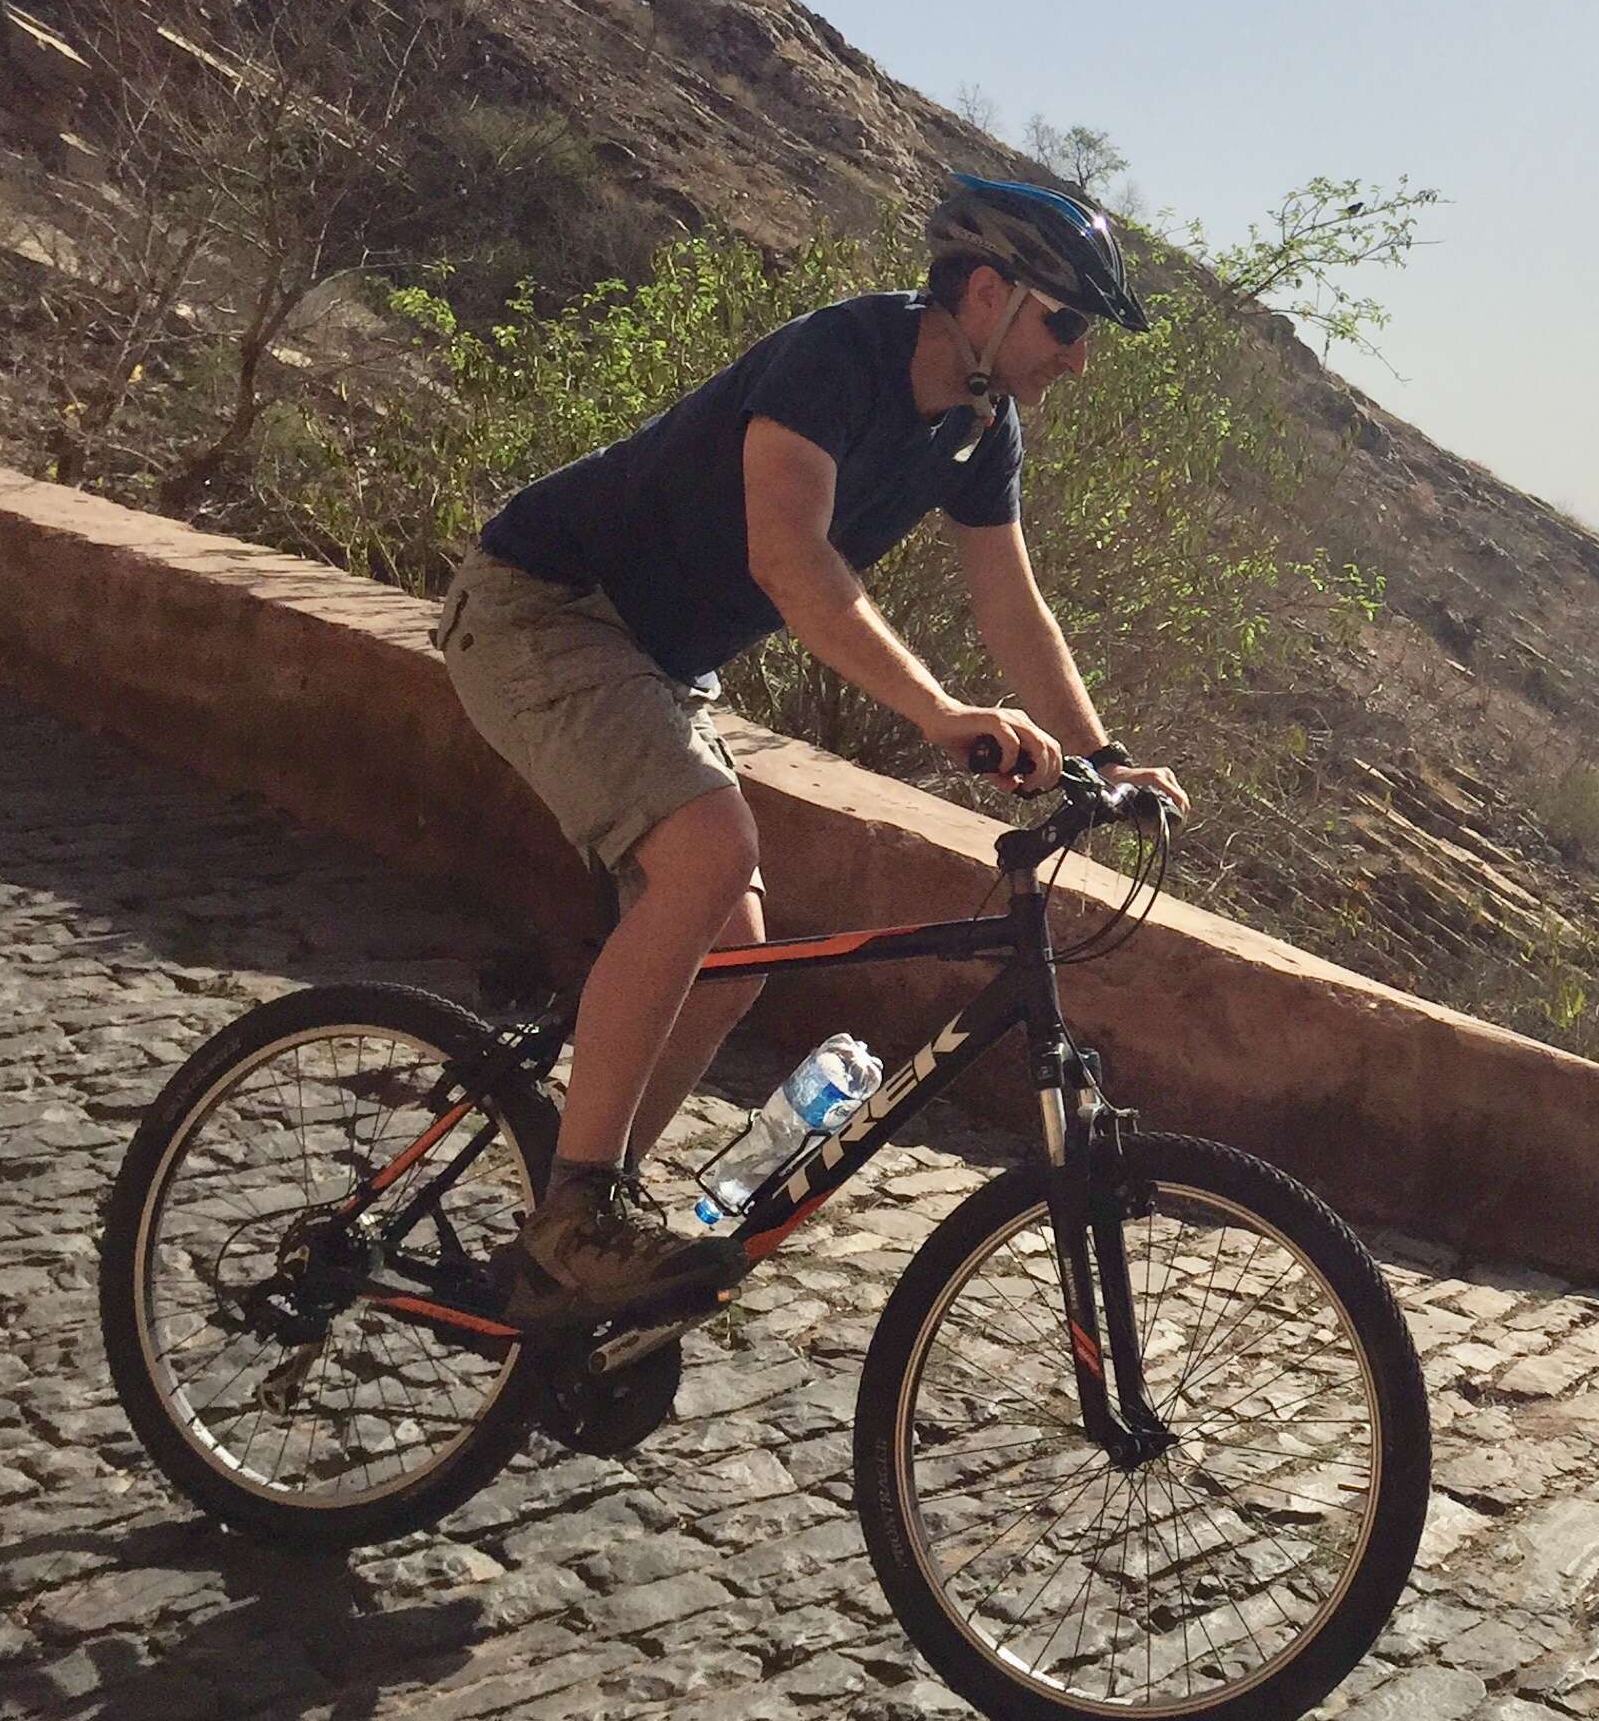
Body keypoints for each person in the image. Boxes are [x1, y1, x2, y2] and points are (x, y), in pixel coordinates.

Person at [435, 173, 1187, 1324]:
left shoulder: (983, 430)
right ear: (985, 293)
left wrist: (1105, 757)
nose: (1077, 357)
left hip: (654, 662)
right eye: (1067, 322)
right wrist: (941, 713)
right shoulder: (836, 358)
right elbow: (793, 561)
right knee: (709, 847)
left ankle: (582, 1244)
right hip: (546, 606)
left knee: (731, 947)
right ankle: (573, 1221)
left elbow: (1013, 606)